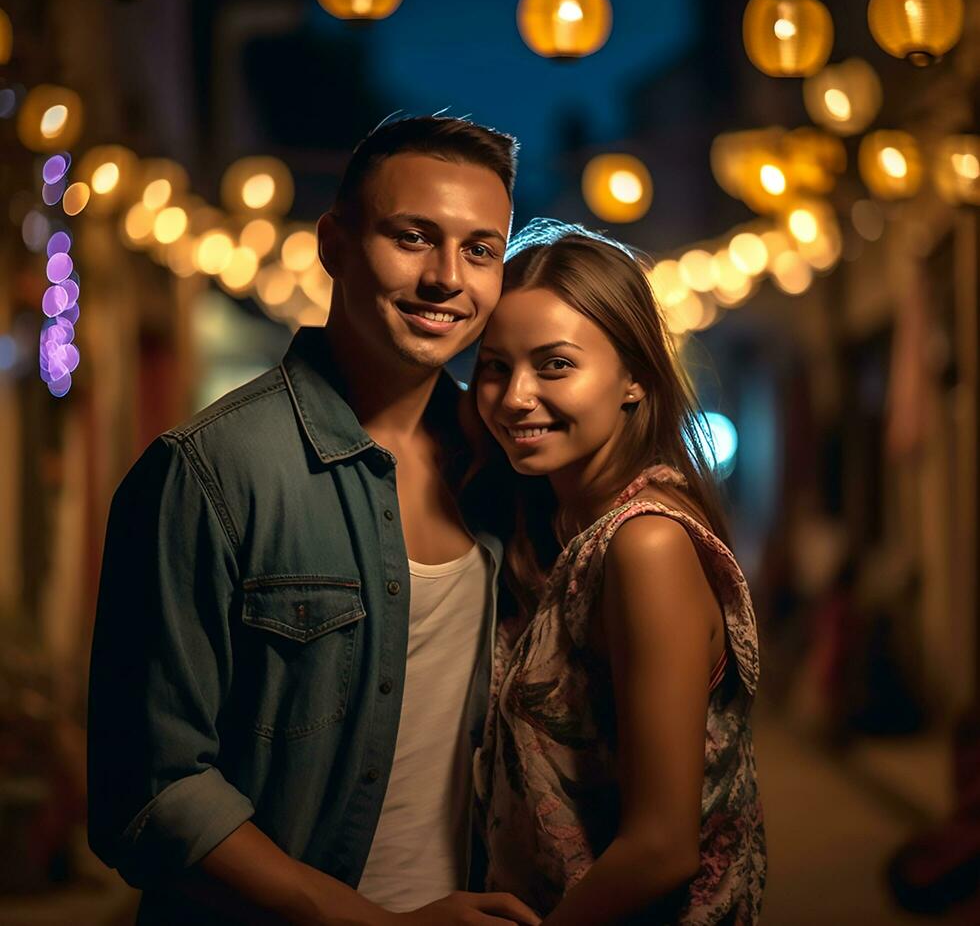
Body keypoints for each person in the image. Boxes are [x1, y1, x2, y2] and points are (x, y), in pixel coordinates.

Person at [87, 116, 540, 926]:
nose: (448, 278)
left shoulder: (499, 468)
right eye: (413, 237)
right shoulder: (208, 471)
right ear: (333, 243)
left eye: (479, 250)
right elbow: (149, 792)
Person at [469, 221, 767, 924]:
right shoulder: (559, 526)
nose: (514, 397)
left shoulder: (645, 544)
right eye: (492, 367)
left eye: (555, 365)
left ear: (634, 378)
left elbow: (662, 849)